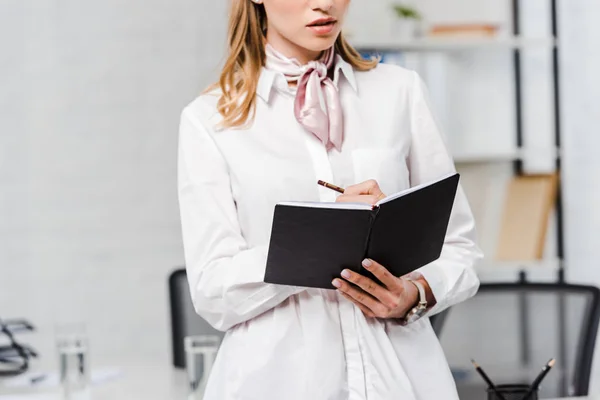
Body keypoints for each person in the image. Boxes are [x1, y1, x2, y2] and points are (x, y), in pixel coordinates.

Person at [177, 0, 483, 399]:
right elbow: (213, 292)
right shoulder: (210, 119)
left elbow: (459, 246)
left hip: (401, 380)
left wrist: (415, 295)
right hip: (277, 383)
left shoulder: (400, 92)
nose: (324, 3)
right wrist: (317, 238)